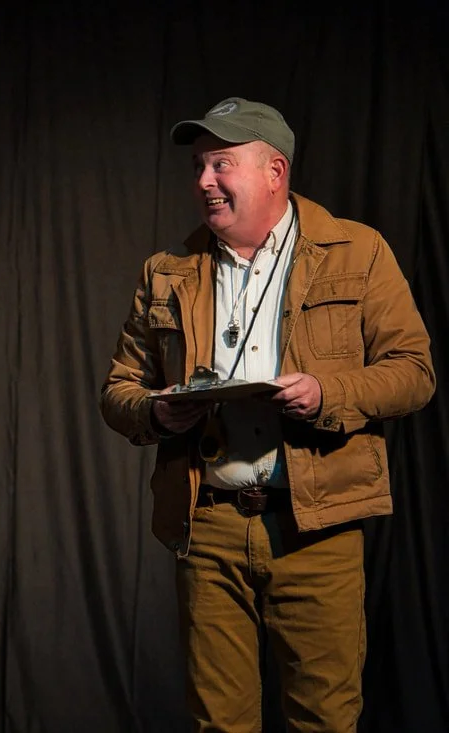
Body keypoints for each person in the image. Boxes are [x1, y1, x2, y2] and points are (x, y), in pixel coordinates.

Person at [100, 97, 435, 732]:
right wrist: (156, 412)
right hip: (208, 529)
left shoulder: (356, 252)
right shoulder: (168, 273)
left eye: (220, 164)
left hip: (317, 528)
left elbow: (415, 373)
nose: (203, 181)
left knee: (324, 721)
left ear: (274, 171)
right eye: (199, 166)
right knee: (218, 724)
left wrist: (326, 394)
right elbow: (118, 390)